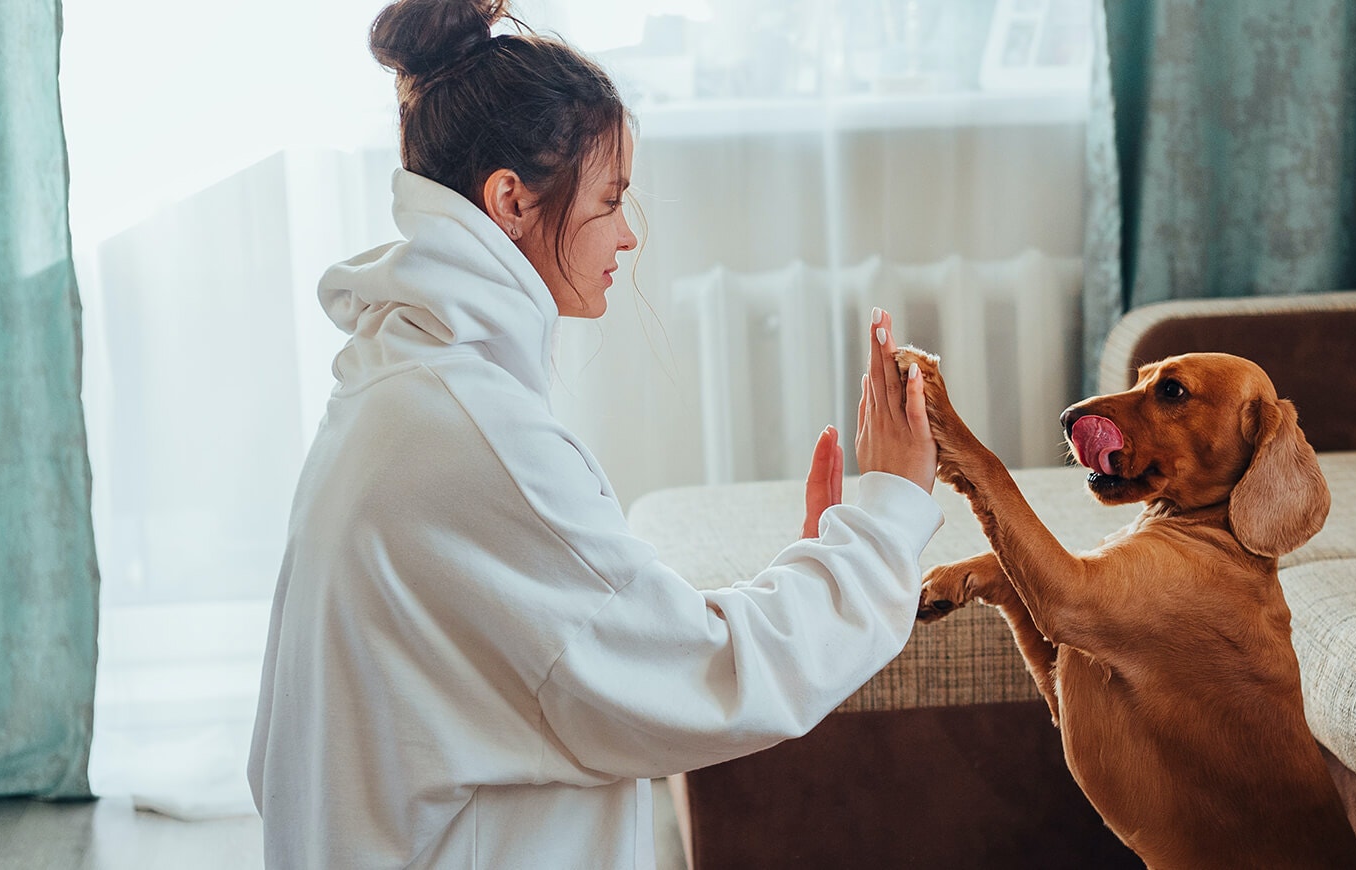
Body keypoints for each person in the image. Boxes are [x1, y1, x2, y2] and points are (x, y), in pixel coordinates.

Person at [245, 1, 942, 866]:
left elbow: (607, 642)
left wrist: (817, 561)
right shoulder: (471, 437)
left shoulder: (401, 385)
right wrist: (888, 514)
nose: (629, 232)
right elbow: (711, 677)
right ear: (509, 200)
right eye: (610, 200)